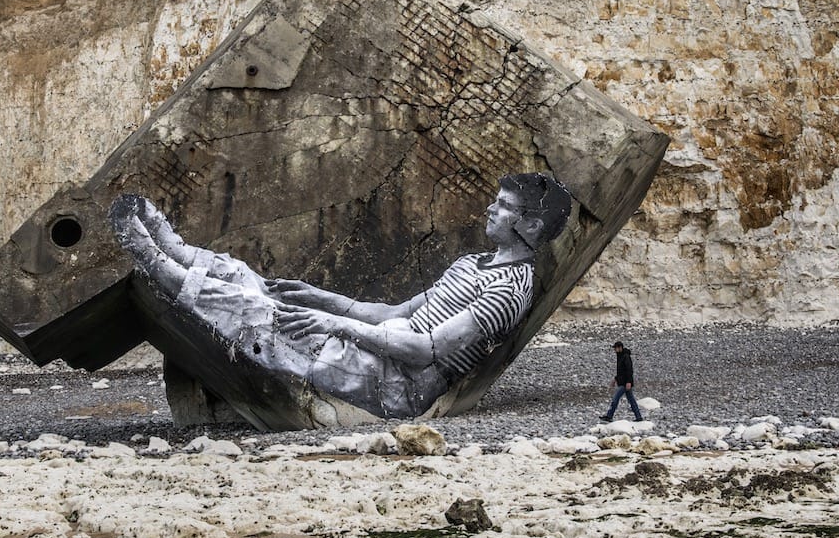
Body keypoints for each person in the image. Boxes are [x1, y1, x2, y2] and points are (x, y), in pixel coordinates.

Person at [110, 173, 572, 419]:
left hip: (398, 384)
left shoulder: (509, 289)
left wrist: (336, 325)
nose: (490, 208)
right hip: (378, 352)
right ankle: (178, 252)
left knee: (263, 316)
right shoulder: (471, 264)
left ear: (531, 225)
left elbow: (424, 350)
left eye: (504, 206)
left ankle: (160, 267)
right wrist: (320, 299)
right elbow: (395, 313)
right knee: (265, 289)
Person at [601, 340, 644, 422]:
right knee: (631, 400)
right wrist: (615, 379)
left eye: (616, 348)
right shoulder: (620, 356)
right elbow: (621, 371)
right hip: (623, 382)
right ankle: (638, 417)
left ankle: (609, 416)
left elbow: (629, 370)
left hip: (624, 383)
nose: (615, 350)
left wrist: (628, 382)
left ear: (620, 348)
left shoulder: (625, 356)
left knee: (615, 399)